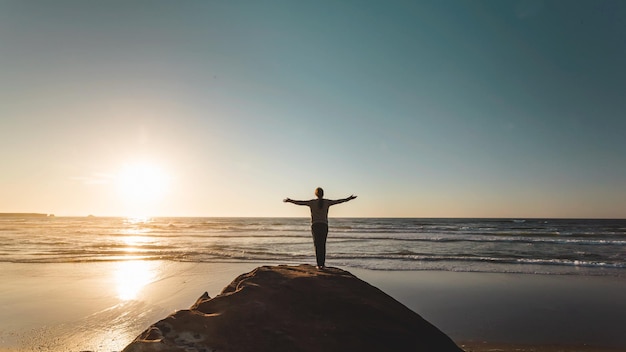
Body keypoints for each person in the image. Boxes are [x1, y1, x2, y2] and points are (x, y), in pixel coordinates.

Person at [283, 187, 357, 269]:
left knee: (317, 245)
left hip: (315, 225)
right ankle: (323, 264)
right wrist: (349, 198)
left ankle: (319, 265)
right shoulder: (327, 202)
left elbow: (300, 202)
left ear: (316, 194)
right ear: (323, 194)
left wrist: (290, 201)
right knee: (323, 244)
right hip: (324, 225)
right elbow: (339, 201)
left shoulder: (312, 202)